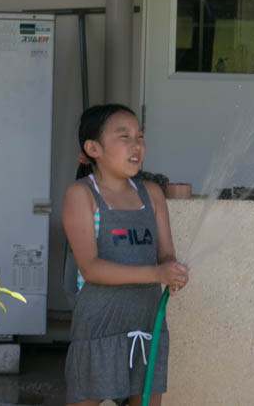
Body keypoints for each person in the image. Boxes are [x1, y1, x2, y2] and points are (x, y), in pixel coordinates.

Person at [62, 104, 190, 406]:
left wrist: (173, 272)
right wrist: (157, 275)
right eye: (124, 137)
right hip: (98, 329)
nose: (136, 145)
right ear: (93, 148)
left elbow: (165, 255)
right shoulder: (81, 195)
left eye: (140, 136)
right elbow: (91, 269)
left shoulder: (152, 194)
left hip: (147, 326)